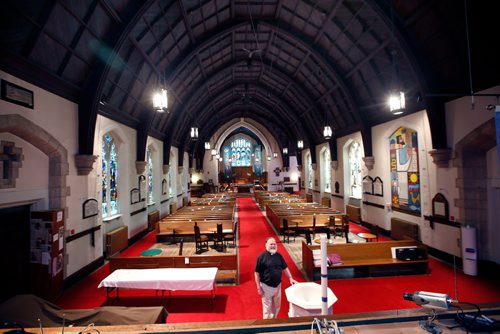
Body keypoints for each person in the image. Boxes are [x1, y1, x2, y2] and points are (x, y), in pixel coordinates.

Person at [254, 237, 298, 319]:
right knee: (267, 309)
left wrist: (290, 278)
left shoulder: (279, 256)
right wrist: (258, 287)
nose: (273, 245)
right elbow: (256, 273)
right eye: (271, 244)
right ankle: (266, 326)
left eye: (274, 244)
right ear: (266, 245)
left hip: (278, 286)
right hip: (266, 287)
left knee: (277, 306)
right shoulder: (261, 257)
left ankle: (274, 321)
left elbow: (285, 268)